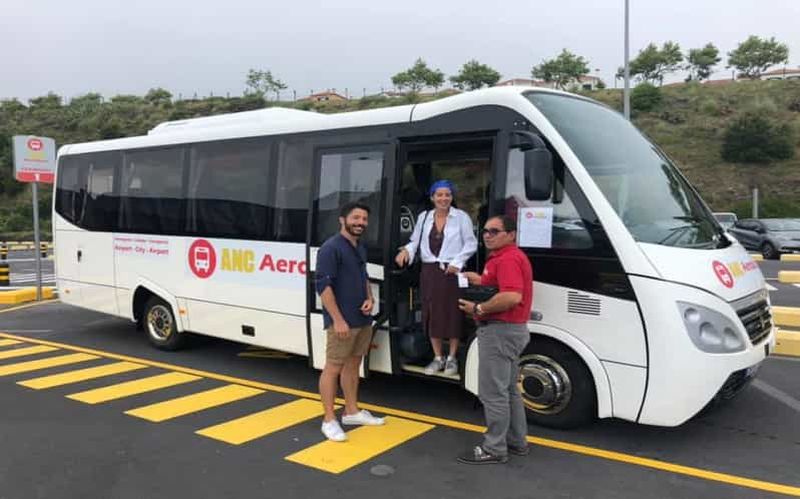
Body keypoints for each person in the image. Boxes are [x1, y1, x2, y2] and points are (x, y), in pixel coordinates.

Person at [456, 215, 533, 464]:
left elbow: (511, 296)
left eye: (495, 231)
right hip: (512, 330)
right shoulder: (505, 257)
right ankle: (516, 442)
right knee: (509, 390)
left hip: (499, 331)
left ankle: (494, 448)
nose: (487, 235)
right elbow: (502, 287)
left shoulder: (508, 258)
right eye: (485, 231)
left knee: (492, 393)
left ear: (511, 234)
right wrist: (481, 281)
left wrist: (478, 309)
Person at [316, 201, 385, 442]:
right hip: (342, 321)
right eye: (356, 218)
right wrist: (337, 320)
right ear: (342, 220)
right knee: (333, 367)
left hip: (361, 319)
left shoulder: (359, 246)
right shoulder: (330, 248)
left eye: (364, 219)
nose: (360, 223)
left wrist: (369, 297)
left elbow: (363, 274)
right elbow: (323, 286)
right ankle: (328, 420)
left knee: (353, 365)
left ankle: (352, 411)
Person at [395, 180, 478, 376]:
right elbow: (415, 240)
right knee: (431, 313)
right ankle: (437, 357)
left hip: (451, 272)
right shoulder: (424, 217)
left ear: (452, 197)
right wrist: (406, 251)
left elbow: (471, 244)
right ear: (432, 198)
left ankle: (452, 358)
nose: (443, 198)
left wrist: (458, 261)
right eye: (439, 195)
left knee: (452, 314)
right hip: (430, 272)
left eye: (447, 195)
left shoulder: (461, 218)